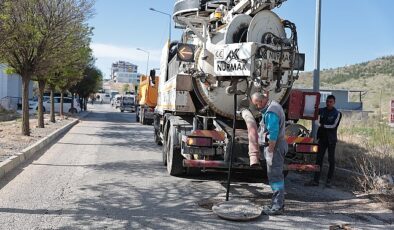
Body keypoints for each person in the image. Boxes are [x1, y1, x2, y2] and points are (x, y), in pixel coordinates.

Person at [251, 92, 288, 215]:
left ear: (261, 102)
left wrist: (271, 151)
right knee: (275, 176)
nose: (257, 107)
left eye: (256, 104)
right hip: (277, 146)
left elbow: (273, 134)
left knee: (276, 177)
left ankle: (277, 207)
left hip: (275, 147)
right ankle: (277, 204)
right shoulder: (273, 105)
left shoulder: (271, 112)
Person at [305, 95, 342, 187]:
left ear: (334, 102)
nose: (329, 103)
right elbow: (316, 119)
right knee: (319, 159)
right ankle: (316, 180)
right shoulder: (321, 110)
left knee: (331, 160)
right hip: (322, 138)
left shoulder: (337, 113)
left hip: (331, 140)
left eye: (331, 102)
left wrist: (322, 125)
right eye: (327, 101)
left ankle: (329, 181)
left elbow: (334, 126)